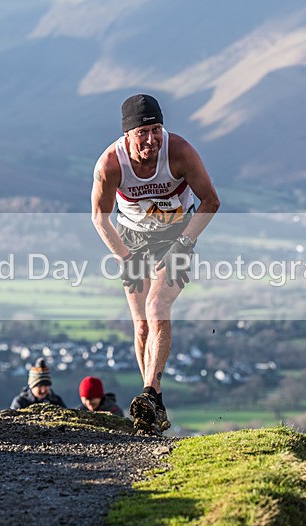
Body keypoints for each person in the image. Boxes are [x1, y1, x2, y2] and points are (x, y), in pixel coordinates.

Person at [91, 93, 220, 434]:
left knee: (156, 306)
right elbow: (100, 218)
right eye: (142, 133)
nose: (151, 140)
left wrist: (184, 243)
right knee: (141, 326)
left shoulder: (180, 152)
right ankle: (153, 403)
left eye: (156, 130)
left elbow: (211, 200)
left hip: (176, 235)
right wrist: (125, 257)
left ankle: (148, 392)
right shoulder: (110, 164)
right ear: (127, 135)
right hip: (130, 239)